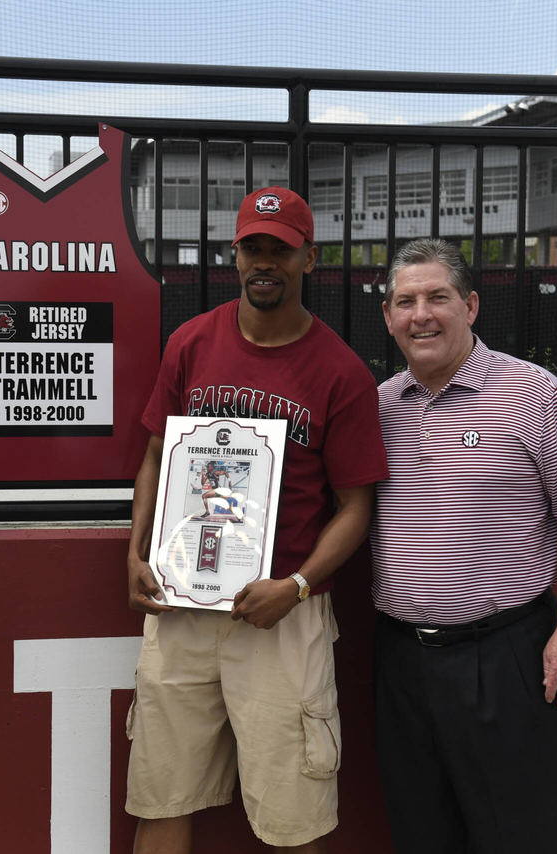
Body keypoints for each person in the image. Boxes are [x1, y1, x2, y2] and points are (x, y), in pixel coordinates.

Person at [125, 187, 389, 852]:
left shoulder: (340, 372)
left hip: (279, 615)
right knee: (162, 795)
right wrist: (135, 552)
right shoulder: (192, 342)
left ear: (308, 260)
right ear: (234, 254)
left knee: (292, 818)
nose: (264, 262)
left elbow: (357, 508)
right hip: (183, 603)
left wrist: (296, 586)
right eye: (253, 248)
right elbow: (156, 454)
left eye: (280, 250)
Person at [369, 238, 557, 854]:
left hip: (509, 659)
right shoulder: (380, 407)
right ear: (389, 317)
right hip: (402, 665)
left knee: (526, 836)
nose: (421, 313)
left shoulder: (536, 395)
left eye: (437, 298)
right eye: (405, 301)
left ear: (470, 306)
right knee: (422, 833)